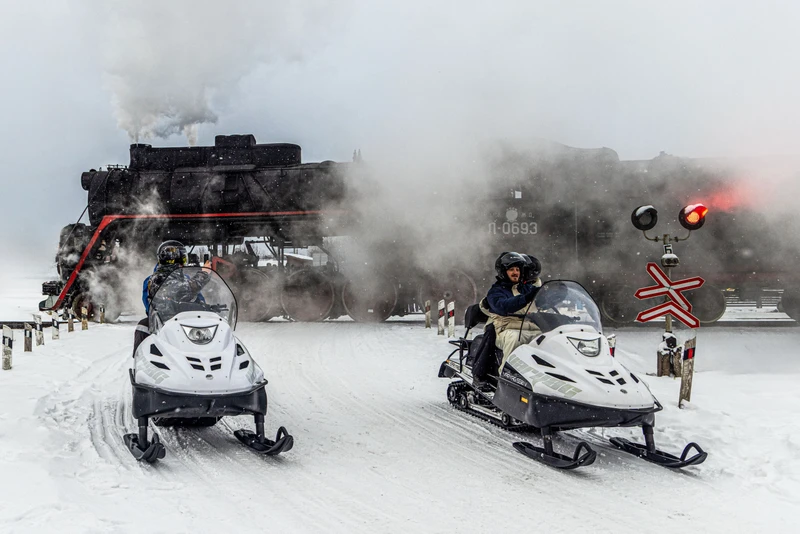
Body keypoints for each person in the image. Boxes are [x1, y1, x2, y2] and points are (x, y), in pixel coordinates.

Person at [132, 241, 210, 356]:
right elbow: (181, 290)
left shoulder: (185, 278)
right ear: (173, 260)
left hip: (188, 322)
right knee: (144, 327)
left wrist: (205, 307)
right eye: (182, 259)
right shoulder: (156, 279)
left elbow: (198, 297)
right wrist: (203, 275)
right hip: (166, 326)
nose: (183, 264)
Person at [479, 251, 543, 373]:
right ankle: (506, 374)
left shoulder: (526, 288)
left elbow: (542, 301)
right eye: (511, 270)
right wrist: (525, 298)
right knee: (515, 338)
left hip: (530, 327)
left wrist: (557, 295)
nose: (515, 273)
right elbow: (504, 306)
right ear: (504, 272)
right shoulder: (496, 291)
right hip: (505, 329)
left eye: (518, 270)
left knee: (548, 338)